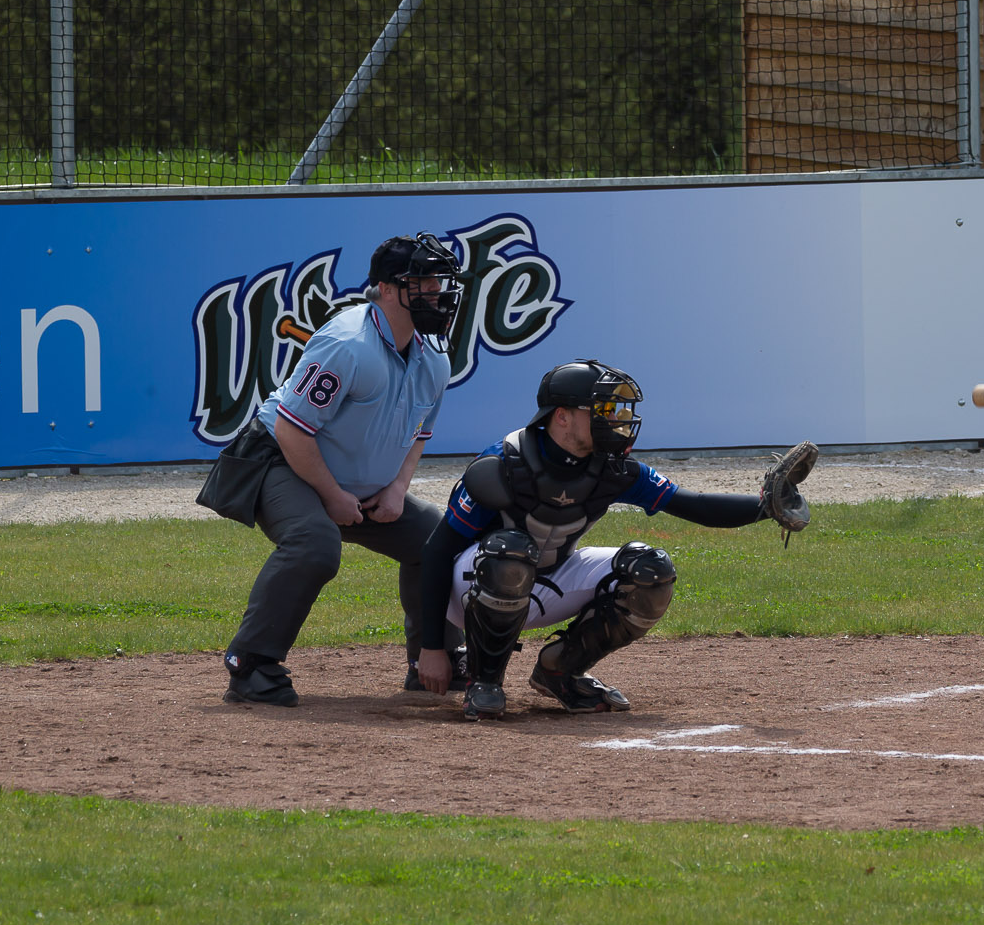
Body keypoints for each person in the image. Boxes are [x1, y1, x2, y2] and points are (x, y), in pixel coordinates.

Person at [414, 359, 817, 721]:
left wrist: (765, 507)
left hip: (547, 579)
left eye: (617, 409)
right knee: (511, 552)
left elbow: (692, 505)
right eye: (603, 410)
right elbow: (436, 552)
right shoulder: (502, 464)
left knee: (651, 571)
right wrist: (432, 648)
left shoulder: (613, 469)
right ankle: (483, 680)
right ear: (562, 417)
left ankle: (560, 670)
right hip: (473, 587)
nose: (617, 419)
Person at [220, 233, 466, 707]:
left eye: (440, 281)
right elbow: (293, 431)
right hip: (278, 461)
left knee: (441, 539)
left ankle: (434, 659)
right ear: (389, 290)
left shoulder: (433, 354)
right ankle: (251, 664)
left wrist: (396, 489)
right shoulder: (347, 344)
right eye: (425, 281)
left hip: (353, 481)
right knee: (315, 543)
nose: (438, 291)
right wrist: (332, 496)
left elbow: (418, 434)